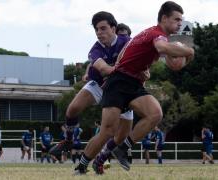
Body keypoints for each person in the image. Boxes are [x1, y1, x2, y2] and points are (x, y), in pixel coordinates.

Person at [79, 1, 194, 174]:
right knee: (107, 132)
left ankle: (122, 149)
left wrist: (153, 65)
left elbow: (158, 55)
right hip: (118, 81)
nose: (180, 23)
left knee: (155, 113)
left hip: (134, 83)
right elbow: (162, 48)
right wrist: (189, 52)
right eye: (177, 19)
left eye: (181, 20)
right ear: (164, 18)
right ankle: (81, 166)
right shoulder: (157, 34)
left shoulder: (157, 35)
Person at [50, 11, 134, 165]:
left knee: (121, 136)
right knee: (72, 109)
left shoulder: (127, 41)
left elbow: (143, 58)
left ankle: (101, 158)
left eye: (103, 28)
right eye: (96, 29)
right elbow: (104, 69)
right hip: (100, 86)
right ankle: (68, 140)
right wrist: (120, 68)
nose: (99, 33)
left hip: (123, 91)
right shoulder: (95, 50)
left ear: (113, 28)